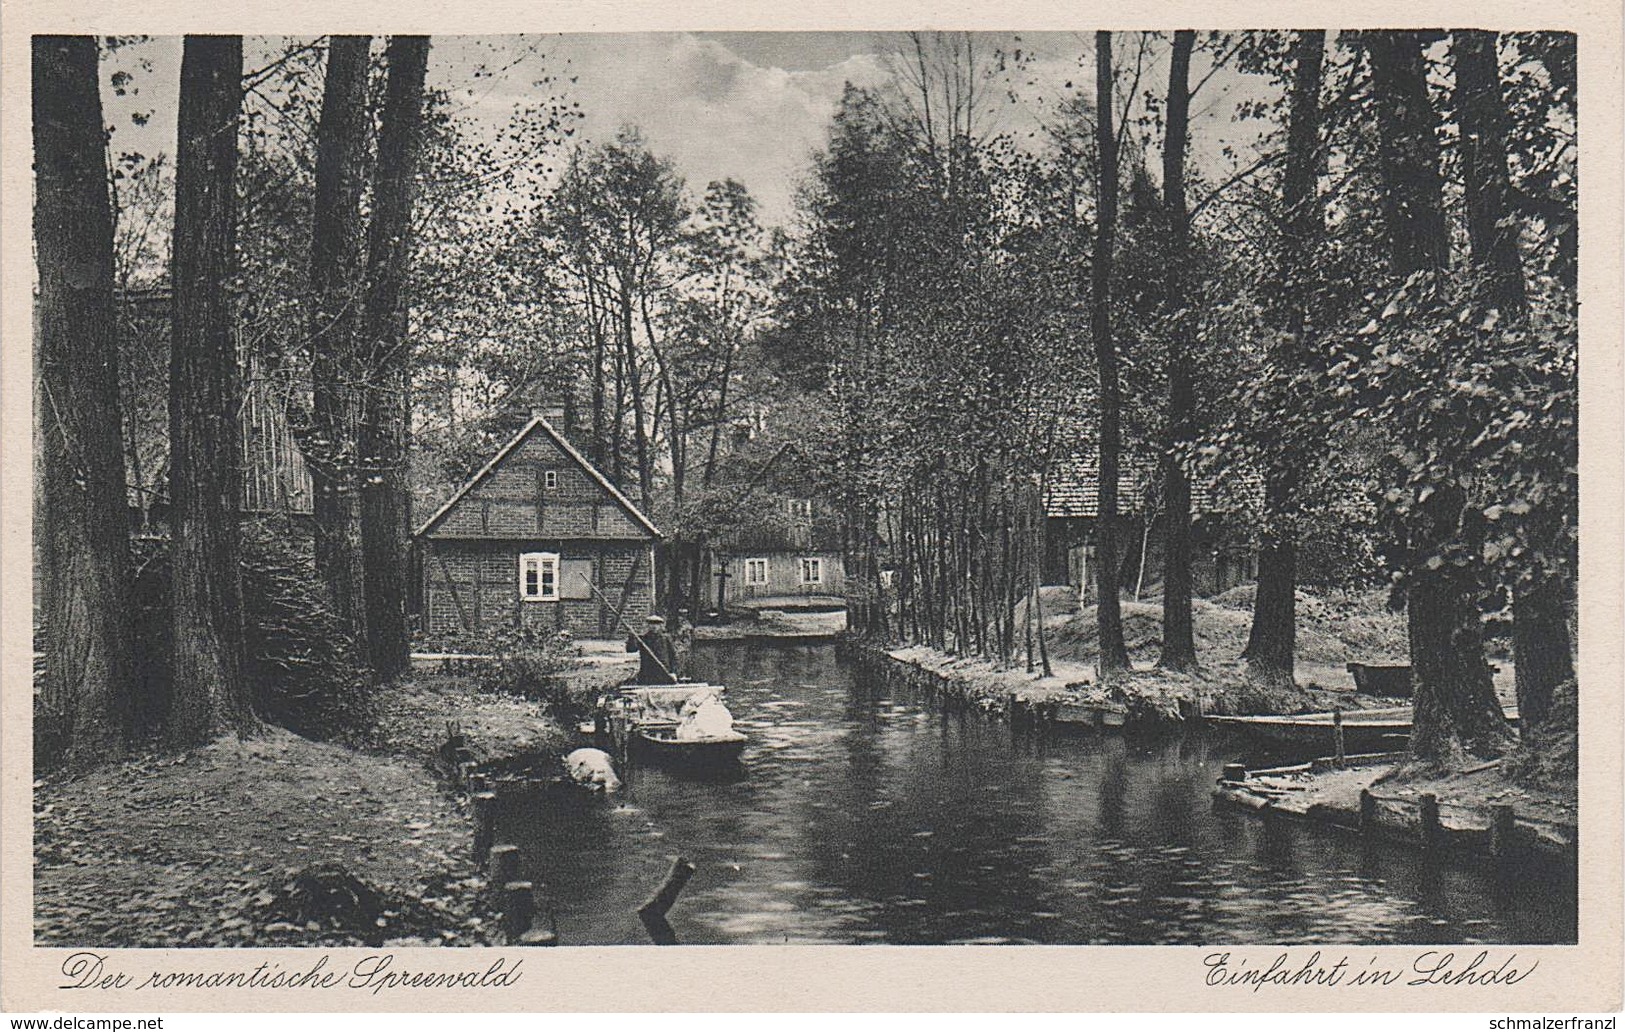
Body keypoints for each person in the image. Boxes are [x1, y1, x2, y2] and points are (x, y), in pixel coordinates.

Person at [627, 613, 679, 684]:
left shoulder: (666, 639)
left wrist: (673, 672)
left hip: (664, 674)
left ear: (660, 626)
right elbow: (631, 650)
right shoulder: (643, 639)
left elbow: (674, 656)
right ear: (648, 625)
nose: (654, 626)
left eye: (657, 624)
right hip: (647, 675)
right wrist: (631, 637)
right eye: (651, 624)